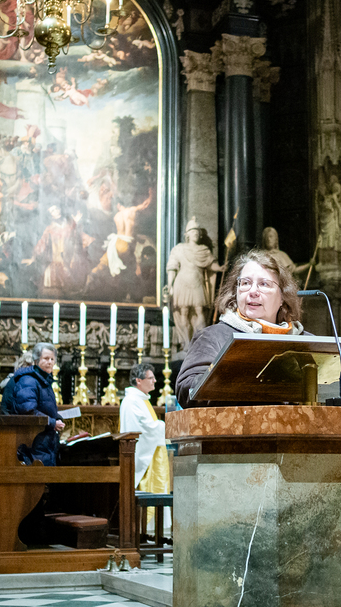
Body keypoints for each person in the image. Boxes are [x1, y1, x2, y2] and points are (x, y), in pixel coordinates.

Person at [175, 249, 305, 408]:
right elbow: (186, 390)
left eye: (264, 284)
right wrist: (240, 375)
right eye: (245, 283)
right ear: (235, 292)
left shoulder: (305, 340)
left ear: (282, 296)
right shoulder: (213, 337)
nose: (253, 291)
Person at [120, 363, 171, 530]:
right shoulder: (132, 401)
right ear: (139, 380)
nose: (155, 381)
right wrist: (165, 426)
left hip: (153, 453)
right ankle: (147, 530)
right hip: (145, 457)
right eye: (151, 378)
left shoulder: (141, 400)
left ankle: (155, 530)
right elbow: (146, 429)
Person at [0, 342, 65, 466]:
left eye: (52, 359)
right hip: (33, 443)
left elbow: (43, 406)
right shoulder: (28, 380)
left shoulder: (44, 380)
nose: (50, 362)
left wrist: (56, 417)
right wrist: (52, 422)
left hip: (44, 442)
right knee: (38, 476)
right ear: (36, 360)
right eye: (46, 358)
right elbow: (27, 410)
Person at [166, 218, 225, 351]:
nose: (196, 234)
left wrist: (220, 268)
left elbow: (210, 265)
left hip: (197, 283)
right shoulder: (179, 249)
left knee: (200, 311)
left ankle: (199, 342)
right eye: (193, 231)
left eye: (197, 232)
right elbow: (172, 268)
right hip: (182, 283)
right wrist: (170, 286)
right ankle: (186, 343)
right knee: (184, 312)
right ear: (187, 234)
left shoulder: (203, 250)